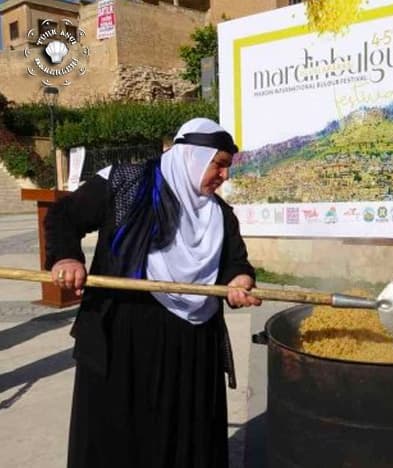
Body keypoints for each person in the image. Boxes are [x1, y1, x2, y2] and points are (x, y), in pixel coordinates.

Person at [44, 118, 262, 468]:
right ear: (193, 156)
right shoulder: (125, 182)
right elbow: (63, 216)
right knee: (120, 434)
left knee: (182, 432)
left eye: (226, 167)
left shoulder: (219, 214)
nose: (224, 176)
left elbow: (236, 263)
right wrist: (67, 256)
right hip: (124, 340)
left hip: (190, 347)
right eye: (219, 165)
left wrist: (238, 281)